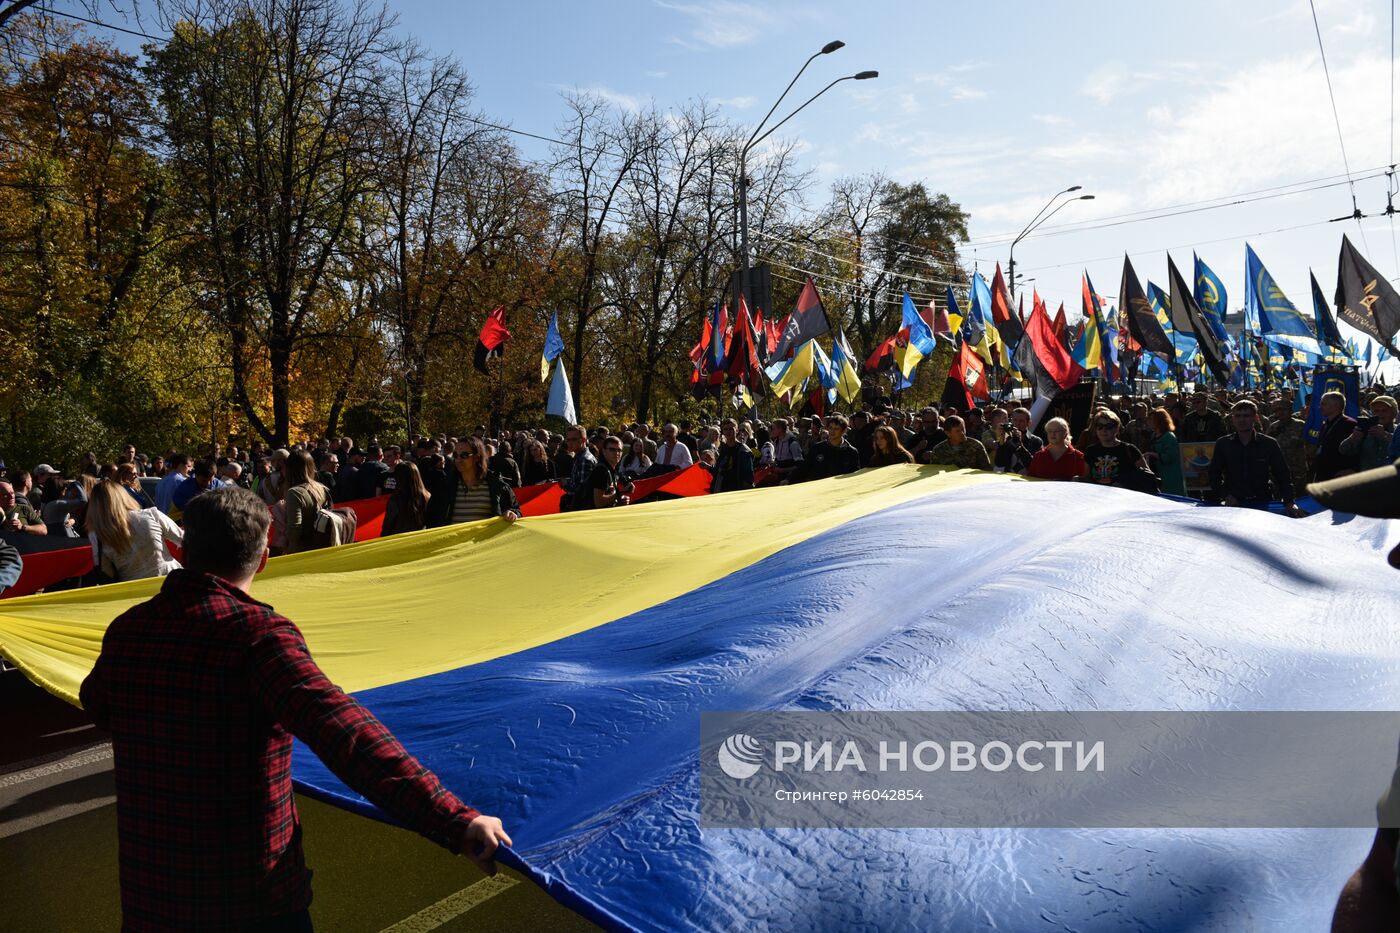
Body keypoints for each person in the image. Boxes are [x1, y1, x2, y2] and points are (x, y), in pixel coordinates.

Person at [79, 487, 510, 930]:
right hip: (249, 897)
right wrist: (455, 819)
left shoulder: (127, 630)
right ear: (264, 557)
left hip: (151, 893)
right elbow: (347, 736)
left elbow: (98, 704)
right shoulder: (256, 636)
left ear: (183, 551)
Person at [1207, 399, 1300, 513]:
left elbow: (1283, 475)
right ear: (1233, 419)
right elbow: (1213, 475)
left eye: (1246, 416)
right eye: (1238, 416)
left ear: (1255, 418)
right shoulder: (1223, 443)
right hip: (1233, 505)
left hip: (1262, 504)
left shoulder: (1269, 443)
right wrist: (1226, 496)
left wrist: (1289, 502)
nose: (1242, 420)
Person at [85, 478, 184, 582]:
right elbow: (183, 539)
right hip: (170, 580)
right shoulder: (151, 515)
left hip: (134, 589)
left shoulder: (97, 535)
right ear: (123, 496)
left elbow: (104, 570)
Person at [426, 437, 521, 526]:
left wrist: (512, 513)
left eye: (464, 455)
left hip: (486, 543)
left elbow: (515, 510)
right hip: (453, 543)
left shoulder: (497, 485)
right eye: (455, 455)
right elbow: (431, 519)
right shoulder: (444, 486)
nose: (458, 460)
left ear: (477, 457)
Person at [280, 450, 335, 554]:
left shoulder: (294, 493)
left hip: (302, 552)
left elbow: (294, 530)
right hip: (321, 548)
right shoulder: (322, 488)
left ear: (289, 469)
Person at [1083, 410, 1150, 488]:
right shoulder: (1090, 451)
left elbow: (1147, 475)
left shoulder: (1130, 450)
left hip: (1123, 497)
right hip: (1097, 496)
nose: (1104, 430)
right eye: (1099, 426)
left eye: (1108, 426)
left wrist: (1124, 483)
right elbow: (1087, 478)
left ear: (1117, 429)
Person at [1267, 397, 1312, 498]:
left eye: (1283, 410)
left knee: (1300, 499)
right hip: (1278, 470)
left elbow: (1310, 447)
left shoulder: (1300, 425)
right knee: (1278, 498)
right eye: (1277, 410)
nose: (1280, 412)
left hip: (1297, 470)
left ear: (1291, 411)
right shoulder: (1273, 427)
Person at [1311, 390, 1360, 483]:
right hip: (1323, 475)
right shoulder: (1325, 424)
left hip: (1340, 476)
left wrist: (1354, 469)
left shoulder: (1349, 424)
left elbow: (1358, 449)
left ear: (1336, 405)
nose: (1320, 407)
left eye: (1323, 404)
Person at [795, 414, 861, 482]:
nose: (832, 431)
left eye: (836, 429)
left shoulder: (851, 452)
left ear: (843, 431)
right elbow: (804, 468)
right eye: (830, 428)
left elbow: (855, 476)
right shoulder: (817, 448)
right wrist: (788, 480)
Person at [1340, 395, 1397, 472]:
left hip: (1393, 480)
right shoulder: (1366, 430)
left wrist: (1386, 436)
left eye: (1384, 411)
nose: (1380, 414)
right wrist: (1353, 438)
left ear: (1394, 413)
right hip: (1368, 480)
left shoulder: (1398, 430)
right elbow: (1343, 451)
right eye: (1376, 411)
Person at [583, 435, 635, 509]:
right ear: (604, 451)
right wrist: (621, 494)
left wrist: (619, 500)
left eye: (619, 450)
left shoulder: (612, 469)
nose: (616, 453)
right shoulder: (601, 470)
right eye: (612, 449)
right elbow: (599, 502)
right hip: (590, 517)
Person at [925, 416, 993, 471]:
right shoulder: (938, 450)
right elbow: (934, 472)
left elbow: (986, 469)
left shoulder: (976, 446)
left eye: (963, 429)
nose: (962, 434)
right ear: (948, 433)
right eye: (957, 431)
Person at [1144, 408, 1186, 497]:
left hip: (1170, 475)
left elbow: (1170, 457)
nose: (1149, 421)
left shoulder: (1169, 437)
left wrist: (1152, 454)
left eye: (1152, 419)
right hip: (1159, 473)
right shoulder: (1154, 435)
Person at [381, 462, 430, 536]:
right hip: (419, 538)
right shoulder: (427, 496)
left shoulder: (396, 499)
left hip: (397, 540)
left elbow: (388, 524)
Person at [560, 424, 597, 512]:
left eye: (573, 439)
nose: (569, 443)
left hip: (581, 509)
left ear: (583, 440)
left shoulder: (584, 460)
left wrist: (565, 484)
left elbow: (582, 490)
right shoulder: (579, 457)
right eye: (568, 440)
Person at [712, 418, 755, 493]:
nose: (728, 431)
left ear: (737, 430)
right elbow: (719, 470)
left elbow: (748, 477)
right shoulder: (723, 449)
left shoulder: (743, 450)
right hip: (723, 489)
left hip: (738, 491)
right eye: (725, 429)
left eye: (731, 429)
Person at [759, 418, 804, 484]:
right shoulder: (777, 441)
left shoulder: (792, 443)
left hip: (790, 480)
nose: (771, 431)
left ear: (780, 429)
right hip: (780, 478)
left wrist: (782, 470)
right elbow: (778, 459)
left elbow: (800, 465)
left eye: (773, 429)